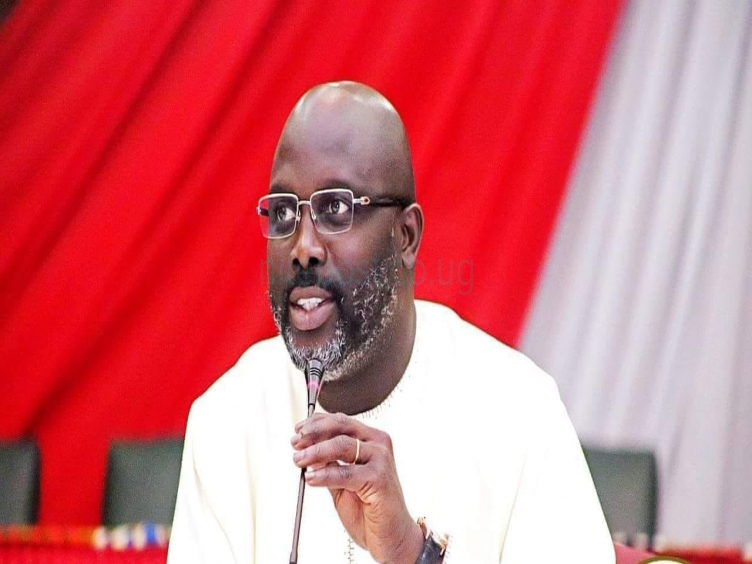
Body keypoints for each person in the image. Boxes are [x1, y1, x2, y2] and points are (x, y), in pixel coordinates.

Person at [167, 81, 615, 563]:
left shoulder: (518, 411)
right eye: (283, 213)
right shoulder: (227, 419)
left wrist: (410, 554)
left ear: (405, 236)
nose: (303, 248)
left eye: (335, 209)